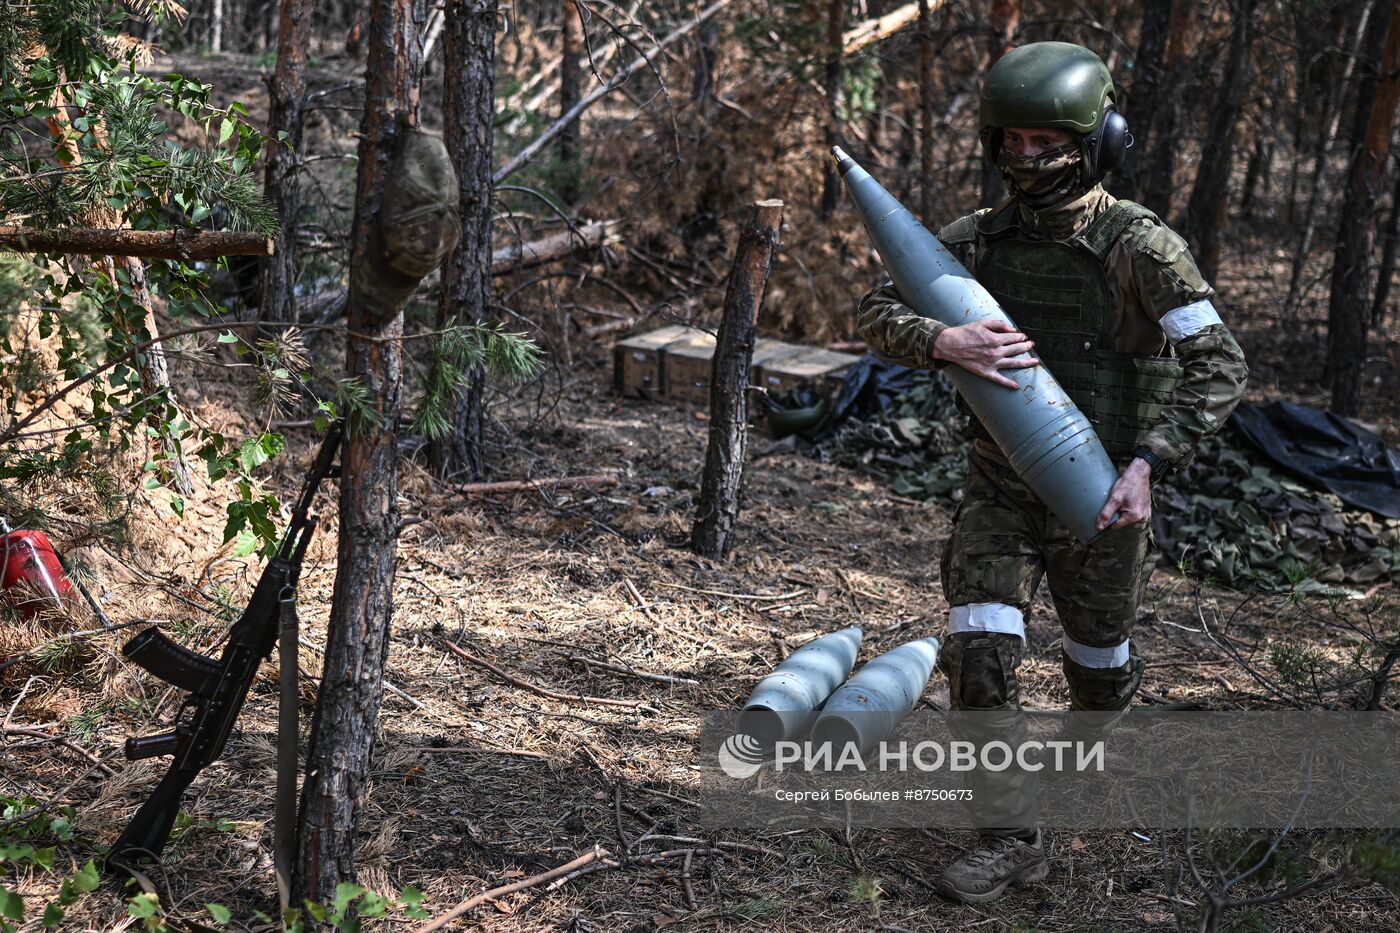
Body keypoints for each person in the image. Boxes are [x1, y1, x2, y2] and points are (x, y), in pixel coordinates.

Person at [854, 41, 1249, 904]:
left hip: (1106, 498)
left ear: (1098, 139)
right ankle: (1010, 838)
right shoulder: (976, 244)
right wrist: (939, 337)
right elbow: (875, 308)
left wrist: (1150, 462)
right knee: (979, 646)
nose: (1027, 160)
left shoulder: (1141, 249)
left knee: (1098, 665)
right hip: (999, 486)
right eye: (1013, 142)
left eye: (1048, 142)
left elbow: (1219, 365)